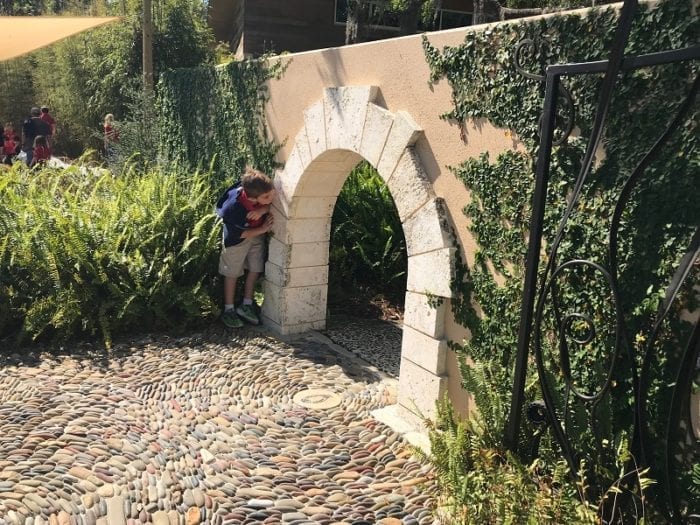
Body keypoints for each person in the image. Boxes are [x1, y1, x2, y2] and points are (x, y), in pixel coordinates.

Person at [216, 167, 275, 328]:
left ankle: (246, 304)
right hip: (237, 240)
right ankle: (229, 309)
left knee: (256, 267)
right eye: (267, 196)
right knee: (232, 272)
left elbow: (269, 205)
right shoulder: (233, 208)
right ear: (253, 198)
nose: (272, 197)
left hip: (256, 236)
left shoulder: (259, 195)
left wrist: (264, 208)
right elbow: (238, 234)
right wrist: (262, 229)